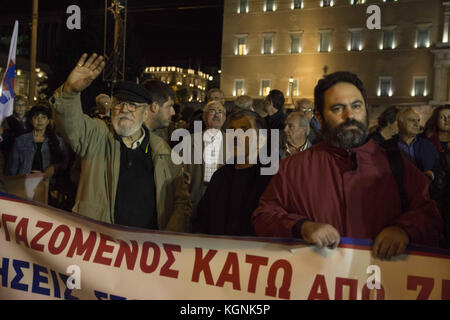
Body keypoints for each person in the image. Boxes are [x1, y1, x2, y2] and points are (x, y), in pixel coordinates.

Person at [252, 71, 442, 260]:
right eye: (337, 108)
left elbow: (429, 218)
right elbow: (264, 216)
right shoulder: (293, 168)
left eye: (356, 106)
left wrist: (403, 230)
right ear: (319, 118)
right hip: (316, 284)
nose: (350, 115)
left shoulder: (397, 165)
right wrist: (302, 227)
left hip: (380, 284)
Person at [50, 53, 191, 231]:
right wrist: (70, 92)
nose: (125, 109)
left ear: (146, 113)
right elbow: (70, 123)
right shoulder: (97, 136)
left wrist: (168, 237)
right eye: (119, 103)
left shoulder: (162, 150)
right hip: (100, 244)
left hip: (147, 250)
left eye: (133, 106)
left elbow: (181, 201)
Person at [193, 109, 272, 236]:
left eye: (244, 131)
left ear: (261, 140)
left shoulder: (272, 179)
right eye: (232, 131)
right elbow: (202, 219)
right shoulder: (220, 176)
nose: (235, 136)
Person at [183, 100, 227, 219]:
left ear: (224, 118)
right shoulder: (189, 141)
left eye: (220, 112)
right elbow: (181, 173)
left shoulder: (233, 143)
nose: (217, 115)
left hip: (223, 199)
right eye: (212, 111)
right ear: (204, 116)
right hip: (196, 195)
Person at [7, 104, 67, 179]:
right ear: (31, 121)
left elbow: (64, 163)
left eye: (43, 117)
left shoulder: (57, 140)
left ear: (48, 121)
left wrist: (53, 168)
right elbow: (13, 167)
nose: (40, 120)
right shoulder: (21, 140)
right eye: (36, 117)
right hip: (23, 182)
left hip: (46, 183)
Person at [424, 105, 450, 248]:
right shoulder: (427, 142)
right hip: (433, 193)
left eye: (449, 117)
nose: (447, 120)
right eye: (442, 117)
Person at [395, 107, 438, 180]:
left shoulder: (428, 146)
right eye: (412, 120)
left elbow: (437, 169)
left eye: (418, 120)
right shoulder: (387, 146)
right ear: (400, 123)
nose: (417, 124)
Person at [0, 94, 31, 171]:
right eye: (17, 105)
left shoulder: (31, 119)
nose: (20, 107)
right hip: (12, 151)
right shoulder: (8, 120)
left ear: (26, 106)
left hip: (28, 152)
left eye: (23, 105)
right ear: (14, 106)